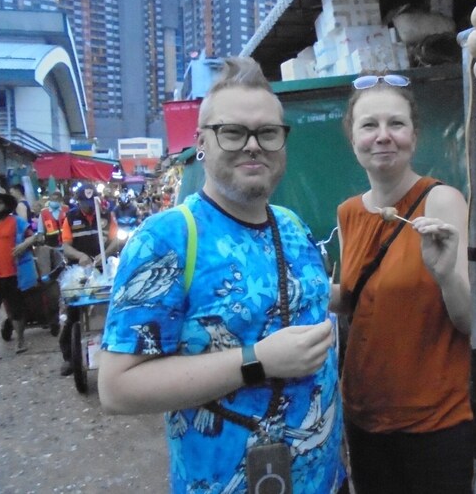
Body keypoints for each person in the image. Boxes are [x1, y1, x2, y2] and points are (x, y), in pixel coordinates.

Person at [98, 57, 346, 494]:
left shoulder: (291, 224)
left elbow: (309, 299)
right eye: (233, 132)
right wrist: (258, 362)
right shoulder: (167, 239)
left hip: (326, 480)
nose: (254, 145)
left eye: (268, 132)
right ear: (201, 143)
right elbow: (118, 387)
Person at [332, 73, 476, 493]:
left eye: (395, 124)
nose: (383, 136)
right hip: (364, 418)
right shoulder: (348, 213)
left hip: (434, 424)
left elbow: (473, 321)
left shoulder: (441, 201)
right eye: (369, 125)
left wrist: (444, 275)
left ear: (414, 137)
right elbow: (355, 301)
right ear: (353, 138)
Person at [57, 186, 120, 376]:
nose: (88, 206)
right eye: (84, 203)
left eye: (91, 203)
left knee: (111, 310)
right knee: (73, 315)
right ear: (78, 202)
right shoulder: (70, 218)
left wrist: (104, 254)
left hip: (104, 270)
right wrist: (80, 256)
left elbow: (115, 241)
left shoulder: (108, 216)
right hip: (80, 273)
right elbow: (66, 247)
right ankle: (70, 358)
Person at [0, 190, 41, 362]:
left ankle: (21, 340)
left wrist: (25, 243)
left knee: (16, 312)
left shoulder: (16, 222)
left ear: (6, 205)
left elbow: (36, 237)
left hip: (15, 275)